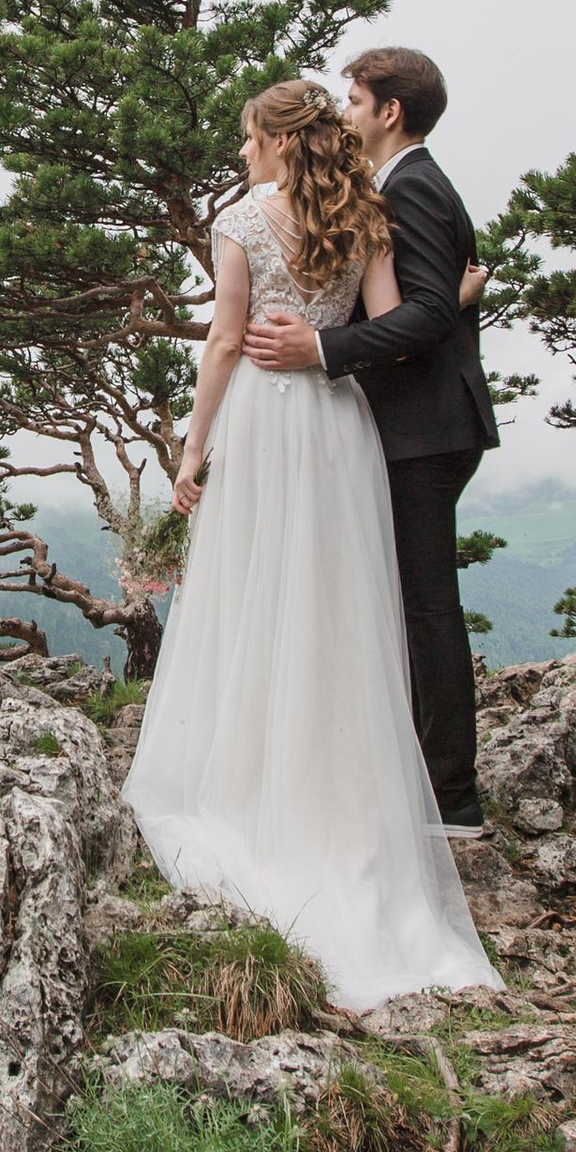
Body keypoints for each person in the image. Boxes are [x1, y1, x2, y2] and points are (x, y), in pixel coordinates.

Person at [122, 77, 500, 1012]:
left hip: (262, 418)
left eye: (249, 136)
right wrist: (444, 299)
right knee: (340, 605)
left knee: (254, 594)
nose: (243, 152)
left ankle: (252, 783)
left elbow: (221, 343)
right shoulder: (365, 214)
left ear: (275, 142)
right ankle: (348, 795)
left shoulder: (245, 221)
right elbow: (382, 327)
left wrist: (192, 449)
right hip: (339, 426)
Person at [241, 44, 497, 826]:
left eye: (354, 101)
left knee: (423, 607)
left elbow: (417, 315)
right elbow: (431, 298)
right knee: (404, 601)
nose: (345, 115)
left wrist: (319, 349)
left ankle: (451, 799)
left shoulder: (413, 186)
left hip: (423, 425)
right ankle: (412, 776)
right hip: (424, 421)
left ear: (390, 111)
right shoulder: (404, 187)